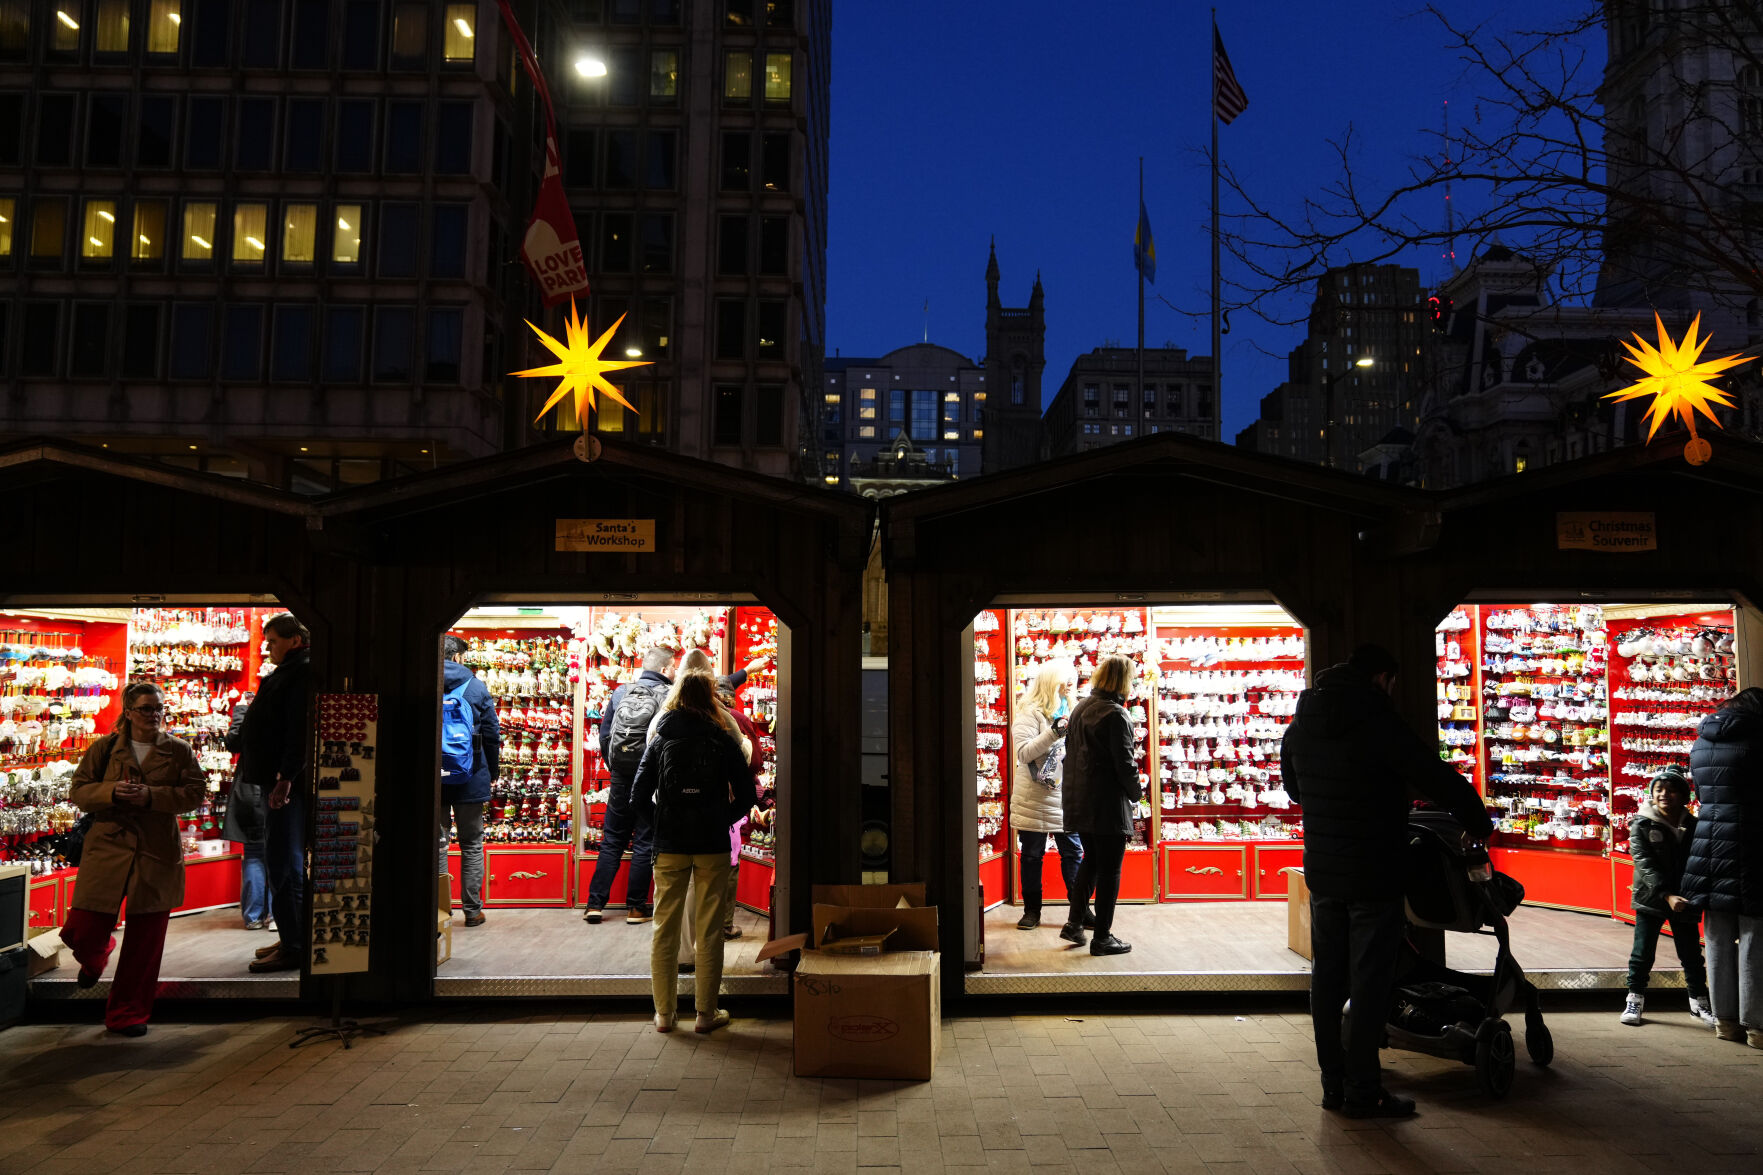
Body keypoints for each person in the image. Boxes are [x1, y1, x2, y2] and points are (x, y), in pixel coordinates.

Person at [1282, 643, 1492, 1119]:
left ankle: (1332, 1084)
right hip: (1374, 868)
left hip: (1325, 869)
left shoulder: (1303, 720)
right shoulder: (1377, 719)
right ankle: (1362, 1089)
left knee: (1328, 978)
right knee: (1371, 979)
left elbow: (1293, 787)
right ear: (1382, 679)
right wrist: (1478, 821)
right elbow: (1432, 774)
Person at [61, 682, 207, 1036]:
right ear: (128, 712)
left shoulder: (178, 750)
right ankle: (96, 955)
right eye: (146, 708)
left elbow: (194, 793)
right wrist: (110, 791)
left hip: (155, 851)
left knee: (145, 943)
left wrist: (151, 796)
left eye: (159, 708)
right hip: (107, 848)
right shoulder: (105, 748)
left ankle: (128, 1014)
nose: (154, 714)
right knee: (82, 929)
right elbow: (78, 790)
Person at [630, 669, 759, 1034]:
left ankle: (664, 1015)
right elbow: (747, 795)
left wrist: (662, 825)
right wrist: (720, 819)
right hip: (711, 846)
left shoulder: (661, 737)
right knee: (709, 930)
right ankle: (706, 1013)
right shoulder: (721, 738)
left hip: (669, 845)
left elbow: (636, 798)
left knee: (664, 929)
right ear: (711, 698)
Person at [1682, 686, 1763, 1047]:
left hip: (1708, 847)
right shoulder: (1758, 743)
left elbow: (1701, 794)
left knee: (1715, 937)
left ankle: (1725, 1022)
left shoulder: (1701, 743)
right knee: (1754, 938)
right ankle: (1757, 1026)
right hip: (1751, 845)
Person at [236, 613, 314, 974]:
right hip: (280, 780)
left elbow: (299, 730)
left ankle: (295, 944)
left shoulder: (299, 674)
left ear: (294, 641)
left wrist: (285, 776)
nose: (268, 648)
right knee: (283, 861)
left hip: (287, 784)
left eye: (273, 641)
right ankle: (290, 935)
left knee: (284, 864)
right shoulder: (292, 672)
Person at [583, 647, 674, 924]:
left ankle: (594, 905)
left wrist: (617, 770)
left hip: (621, 777)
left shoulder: (621, 692)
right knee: (645, 840)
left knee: (612, 840)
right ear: (665, 668)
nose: (674, 671)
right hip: (652, 779)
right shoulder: (669, 695)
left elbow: (605, 735)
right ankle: (636, 908)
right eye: (673, 667)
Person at [1622, 766, 1714, 1027]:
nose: (1664, 794)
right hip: (1652, 897)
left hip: (1685, 899)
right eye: (1659, 790)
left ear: (1683, 796)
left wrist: (1690, 894)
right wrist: (1666, 894)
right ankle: (1634, 1000)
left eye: (1671, 790)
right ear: (1652, 794)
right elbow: (1644, 862)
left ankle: (1699, 1003)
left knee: (1691, 954)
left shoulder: (1693, 825)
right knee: (1642, 952)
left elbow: (1700, 860)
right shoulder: (1641, 823)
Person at [1060, 654, 1138, 957]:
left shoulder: (1081, 707)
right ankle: (1102, 937)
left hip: (1080, 800)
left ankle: (1074, 922)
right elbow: (1125, 764)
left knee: (1090, 862)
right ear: (1122, 680)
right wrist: (1136, 794)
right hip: (1107, 803)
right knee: (1109, 871)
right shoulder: (1116, 714)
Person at [1011, 663, 1082, 931]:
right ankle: (1032, 911)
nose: (1071, 683)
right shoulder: (1029, 713)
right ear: (1053, 681)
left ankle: (1079, 910)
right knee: (1031, 855)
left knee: (1073, 852)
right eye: (1067, 679)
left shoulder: (1075, 709)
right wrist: (1054, 732)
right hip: (1034, 796)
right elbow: (1023, 753)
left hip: (1066, 794)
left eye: (1073, 679)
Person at [440, 634, 500, 928]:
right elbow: (491, 733)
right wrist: (493, 771)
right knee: (472, 844)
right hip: (471, 775)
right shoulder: (475, 687)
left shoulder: (425, 679)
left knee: (437, 844)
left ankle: (439, 910)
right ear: (457, 657)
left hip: (433, 778)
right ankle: (472, 911)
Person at [222, 689, 269, 930]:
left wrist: (241, 710)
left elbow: (234, 742)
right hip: (277, 791)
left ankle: (253, 916)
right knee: (275, 855)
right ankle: (274, 915)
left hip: (251, 791)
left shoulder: (251, 716)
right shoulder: (285, 715)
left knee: (254, 855)